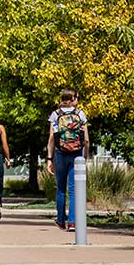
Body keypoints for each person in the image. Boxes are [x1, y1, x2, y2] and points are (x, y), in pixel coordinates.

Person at [46, 88, 89, 231]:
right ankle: (72, 222)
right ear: (72, 99)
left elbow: (52, 138)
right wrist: (85, 156)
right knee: (73, 189)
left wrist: (49, 159)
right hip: (77, 153)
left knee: (61, 189)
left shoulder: (55, 115)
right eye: (76, 98)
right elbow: (86, 139)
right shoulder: (80, 114)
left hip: (60, 153)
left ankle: (60, 220)